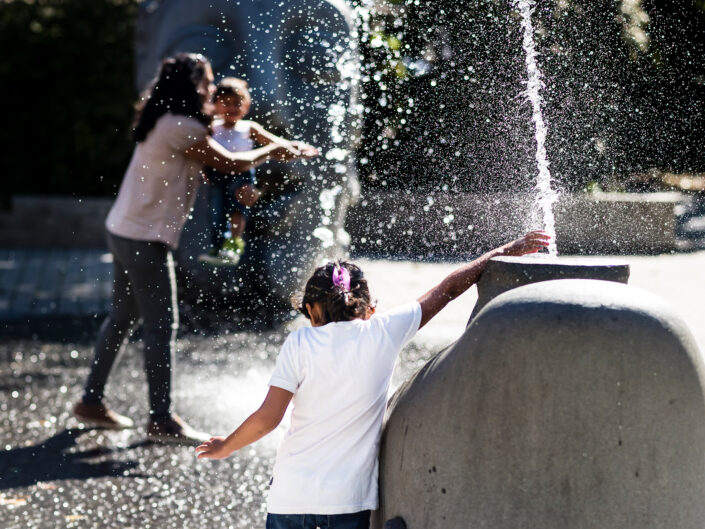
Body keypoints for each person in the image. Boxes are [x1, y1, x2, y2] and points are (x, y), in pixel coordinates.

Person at [195, 231, 550, 527]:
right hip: (346, 504)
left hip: (289, 500)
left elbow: (268, 419)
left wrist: (227, 445)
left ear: (311, 309)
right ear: (369, 306)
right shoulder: (384, 331)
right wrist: (501, 252)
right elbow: (447, 289)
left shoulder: (300, 341)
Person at [72, 53, 318, 445]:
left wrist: (242, 190)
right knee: (160, 326)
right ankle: (160, 418)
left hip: (123, 229)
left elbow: (215, 174)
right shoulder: (182, 127)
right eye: (206, 81)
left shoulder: (166, 122)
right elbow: (233, 162)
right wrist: (273, 151)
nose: (211, 88)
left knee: (121, 317)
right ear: (192, 86)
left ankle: (90, 402)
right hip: (143, 239)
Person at [199, 77, 318, 265]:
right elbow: (204, 153)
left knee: (237, 208)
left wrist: (297, 148)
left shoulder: (249, 128)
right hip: (218, 173)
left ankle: (234, 245)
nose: (231, 108)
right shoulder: (211, 127)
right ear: (216, 105)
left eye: (237, 103)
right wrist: (203, 171)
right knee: (217, 211)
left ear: (246, 106)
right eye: (226, 103)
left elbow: (275, 142)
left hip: (243, 172)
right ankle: (217, 247)